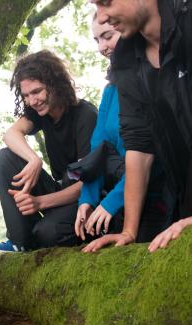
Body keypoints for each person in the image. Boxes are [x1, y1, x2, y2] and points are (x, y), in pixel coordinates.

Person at [87, 0, 192, 253]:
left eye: (105, 2)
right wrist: (129, 232)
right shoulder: (125, 59)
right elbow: (139, 144)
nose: (101, 17)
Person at [0, 50, 97, 252]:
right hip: (59, 191)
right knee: (6, 157)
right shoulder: (41, 113)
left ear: (56, 85)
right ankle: (19, 242)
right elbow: (11, 134)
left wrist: (39, 202)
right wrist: (34, 159)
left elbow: (87, 185)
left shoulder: (85, 115)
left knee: (47, 233)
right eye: (26, 95)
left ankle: (39, 235)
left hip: (86, 199)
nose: (32, 101)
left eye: (37, 91)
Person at [75, 14, 167, 243]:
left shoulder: (153, 79)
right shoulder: (110, 90)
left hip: (153, 195)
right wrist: (87, 199)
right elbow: (98, 150)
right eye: (97, 40)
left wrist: (111, 203)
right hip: (115, 192)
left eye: (107, 37)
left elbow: (149, 157)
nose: (102, 47)